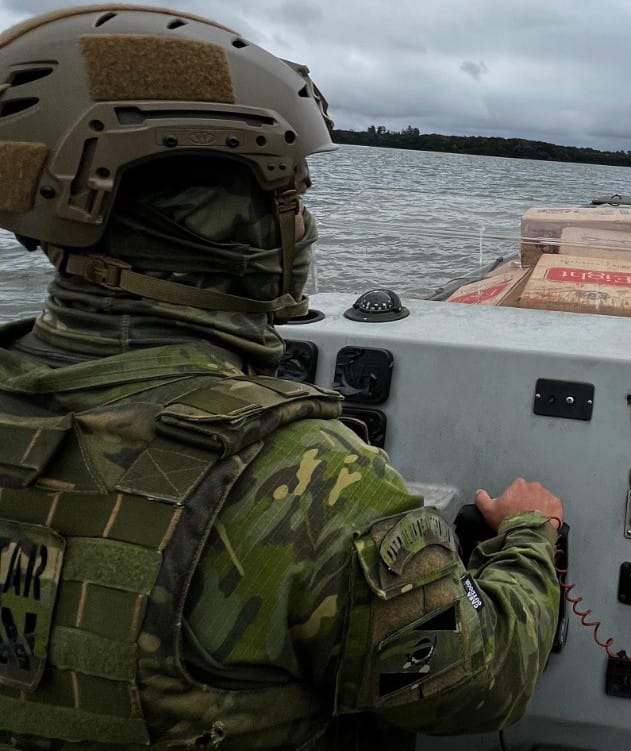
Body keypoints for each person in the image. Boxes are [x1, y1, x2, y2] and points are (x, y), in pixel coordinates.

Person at [0, 5, 563, 749]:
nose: (302, 224)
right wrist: (530, 539)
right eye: (289, 195)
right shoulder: (312, 481)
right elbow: (477, 683)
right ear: (227, 225)